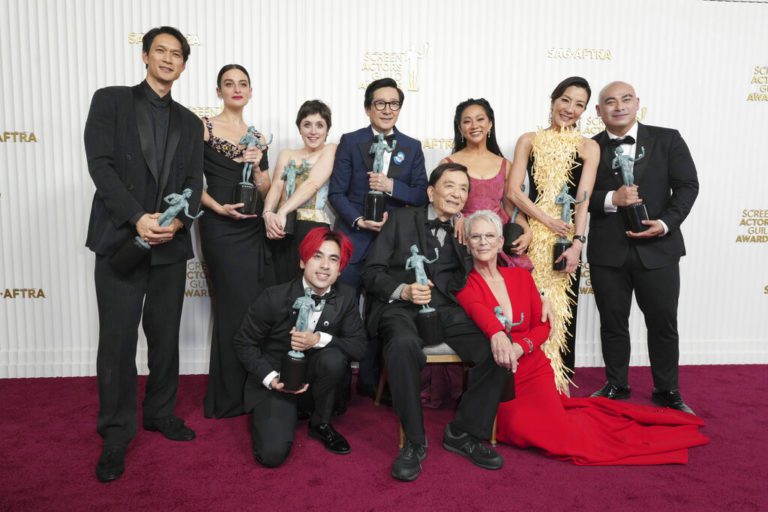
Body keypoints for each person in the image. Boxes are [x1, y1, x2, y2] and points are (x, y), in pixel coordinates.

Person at [456, 211, 708, 465]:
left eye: (489, 236)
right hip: (501, 377)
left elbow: (543, 328)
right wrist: (501, 338)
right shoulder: (465, 285)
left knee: (561, 433)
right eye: (475, 236)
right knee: (521, 429)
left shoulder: (521, 276)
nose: (483, 242)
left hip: (533, 369)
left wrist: (521, 347)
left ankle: (653, 440)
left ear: (500, 242)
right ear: (467, 242)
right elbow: (478, 312)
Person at [84, 26, 203, 482]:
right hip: (121, 240)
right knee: (116, 342)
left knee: (165, 337)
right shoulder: (110, 100)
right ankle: (116, 432)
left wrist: (177, 222)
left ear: (184, 65)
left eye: (177, 55)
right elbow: (100, 165)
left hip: (170, 245)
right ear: (145, 55)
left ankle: (160, 412)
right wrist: (137, 218)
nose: (168, 59)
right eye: (161, 51)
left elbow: (195, 182)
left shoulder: (192, 123)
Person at [362, 162, 509, 482]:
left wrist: (467, 239)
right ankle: (414, 443)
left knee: (495, 348)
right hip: (401, 308)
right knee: (402, 346)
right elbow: (371, 272)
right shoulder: (399, 219)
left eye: (463, 189)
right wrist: (403, 291)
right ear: (431, 191)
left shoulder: (465, 230)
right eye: (450, 186)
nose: (457, 194)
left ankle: (463, 432)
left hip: (446, 310)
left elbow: (482, 270)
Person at [588, 81, 699, 414]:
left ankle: (667, 390)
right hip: (608, 252)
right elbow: (573, 197)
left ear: (637, 103)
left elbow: (687, 186)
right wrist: (610, 199)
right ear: (598, 111)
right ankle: (616, 384)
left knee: (663, 323)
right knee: (612, 322)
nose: (618, 106)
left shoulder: (668, 139)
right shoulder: (588, 148)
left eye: (625, 99)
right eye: (609, 101)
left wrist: (665, 223)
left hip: (659, 249)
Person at [328, 77, 429, 399]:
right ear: (368, 108)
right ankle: (337, 387)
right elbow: (337, 193)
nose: (387, 109)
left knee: (379, 315)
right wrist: (358, 220)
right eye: (380, 103)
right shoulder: (350, 141)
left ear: (400, 107)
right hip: (354, 243)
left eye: (394, 103)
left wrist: (392, 187)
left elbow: (421, 195)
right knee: (341, 312)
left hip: (392, 249)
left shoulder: (412, 147)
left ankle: (373, 385)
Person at [233, 228, 366, 467]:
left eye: (333, 259)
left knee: (334, 357)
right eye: (317, 256)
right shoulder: (274, 297)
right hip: (277, 379)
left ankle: (320, 422)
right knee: (272, 456)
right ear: (303, 261)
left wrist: (319, 339)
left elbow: (359, 347)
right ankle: (286, 413)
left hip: (317, 381)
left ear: (340, 269)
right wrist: (272, 379)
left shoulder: (346, 296)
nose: (325, 265)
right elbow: (244, 343)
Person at [506, 76, 599, 390]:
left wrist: (577, 244)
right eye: (566, 100)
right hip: (532, 234)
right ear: (553, 100)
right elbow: (514, 192)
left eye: (579, 105)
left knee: (561, 309)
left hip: (566, 238)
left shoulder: (588, 147)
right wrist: (544, 221)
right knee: (529, 306)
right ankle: (523, 382)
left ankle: (555, 385)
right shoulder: (529, 140)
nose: (570, 109)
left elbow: (583, 201)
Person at [198, 64, 273, 419]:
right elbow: (187, 179)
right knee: (230, 307)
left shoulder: (257, 137)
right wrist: (217, 207)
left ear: (251, 90)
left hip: (252, 229)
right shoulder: (203, 128)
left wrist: (258, 168)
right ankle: (226, 397)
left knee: (251, 309)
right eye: (229, 84)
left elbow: (268, 190)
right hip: (219, 228)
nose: (236, 89)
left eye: (243, 83)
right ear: (218, 91)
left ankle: (252, 391)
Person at [263, 100, 337, 284]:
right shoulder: (287, 153)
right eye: (307, 125)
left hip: (313, 227)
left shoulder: (331, 149)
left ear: (328, 129)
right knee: (280, 283)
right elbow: (277, 187)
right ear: (299, 128)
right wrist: (267, 215)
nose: (313, 131)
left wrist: (281, 211)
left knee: (310, 284)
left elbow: (313, 183)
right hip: (283, 228)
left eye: (320, 125)